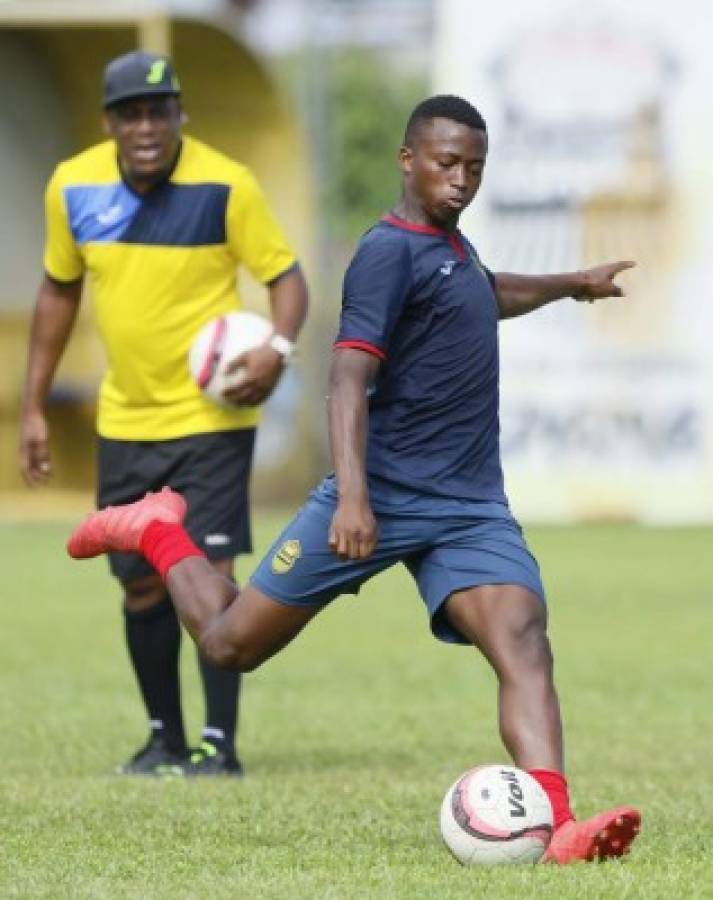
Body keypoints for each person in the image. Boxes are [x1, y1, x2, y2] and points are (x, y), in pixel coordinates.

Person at [66, 94, 641, 861]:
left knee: (522, 640)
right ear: (407, 160)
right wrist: (355, 496)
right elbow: (345, 378)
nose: (461, 179)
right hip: (378, 495)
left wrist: (570, 283)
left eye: (474, 166)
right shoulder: (387, 250)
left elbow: (481, 294)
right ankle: (159, 529)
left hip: (467, 507)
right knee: (229, 646)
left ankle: (559, 823)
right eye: (445, 163)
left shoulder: (451, 249)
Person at [20, 50, 308, 776]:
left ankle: (219, 744)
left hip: (209, 422)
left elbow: (287, 279)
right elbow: (58, 292)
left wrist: (276, 348)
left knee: (208, 569)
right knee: (141, 583)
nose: (145, 126)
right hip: (125, 420)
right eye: (130, 113)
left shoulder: (225, 184)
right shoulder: (72, 186)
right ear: (109, 122)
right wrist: (31, 406)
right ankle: (162, 739)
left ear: (181, 113)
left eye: (159, 110)